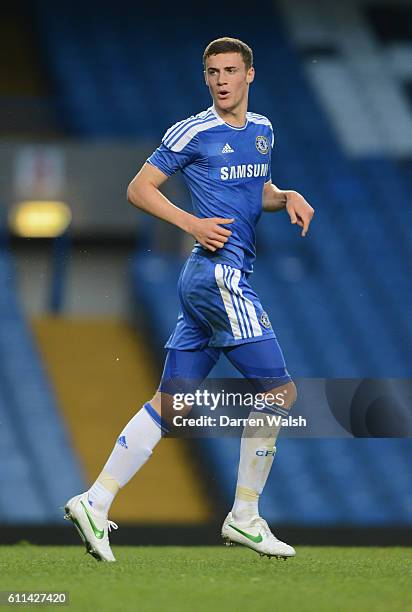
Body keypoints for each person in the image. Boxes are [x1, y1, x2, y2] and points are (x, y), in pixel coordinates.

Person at [64, 37, 314, 562]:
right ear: (206, 79)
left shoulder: (263, 130)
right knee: (280, 394)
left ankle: (96, 499)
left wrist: (285, 196)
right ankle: (244, 516)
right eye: (212, 72)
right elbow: (140, 188)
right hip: (216, 276)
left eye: (229, 70)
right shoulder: (193, 130)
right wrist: (191, 222)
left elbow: (255, 192)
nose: (221, 80)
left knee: (172, 405)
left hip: (210, 280)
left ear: (250, 74)